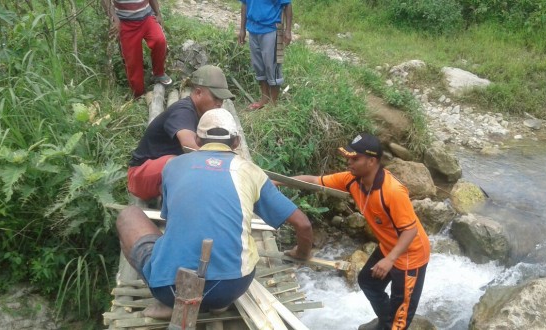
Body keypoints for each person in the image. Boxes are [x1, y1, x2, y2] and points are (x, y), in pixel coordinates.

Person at [117, 108, 313, 319]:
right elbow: (303, 225)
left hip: (170, 289)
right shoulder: (251, 171)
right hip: (230, 288)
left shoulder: (172, 166)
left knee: (129, 216)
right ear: (236, 142)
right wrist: (300, 254)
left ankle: (169, 302)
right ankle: (215, 304)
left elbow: (170, 219)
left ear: (198, 141)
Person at [292, 133, 430, 330]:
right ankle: (386, 322)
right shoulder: (352, 180)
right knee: (368, 282)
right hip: (390, 245)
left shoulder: (392, 191)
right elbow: (315, 181)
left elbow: (410, 231)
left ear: (372, 161)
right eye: (348, 158)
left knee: (400, 322)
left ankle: (393, 324)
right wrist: (278, 181)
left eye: (355, 159)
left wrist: (390, 259)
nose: (349, 162)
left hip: (410, 256)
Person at [127, 65, 235, 201]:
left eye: (222, 99)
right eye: (216, 98)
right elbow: (190, 147)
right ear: (198, 92)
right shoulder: (183, 111)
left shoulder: (205, 115)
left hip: (161, 174)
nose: (220, 103)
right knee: (184, 162)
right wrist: (231, 167)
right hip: (140, 176)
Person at [104, 0, 172, 98]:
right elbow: (106, 3)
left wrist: (158, 14)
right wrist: (116, 19)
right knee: (133, 60)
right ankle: (138, 93)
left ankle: (158, 74)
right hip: (126, 24)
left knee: (159, 41)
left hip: (147, 18)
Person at [238, 0, 292, 110]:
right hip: (253, 30)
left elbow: (287, 4)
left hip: (273, 29)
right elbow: (244, 5)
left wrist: (288, 30)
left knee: (273, 66)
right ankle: (264, 98)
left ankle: (273, 102)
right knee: (259, 66)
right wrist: (242, 29)